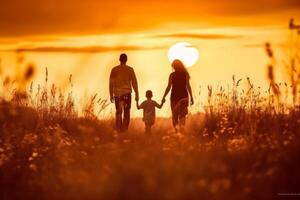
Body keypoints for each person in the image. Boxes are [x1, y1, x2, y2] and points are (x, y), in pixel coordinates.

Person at [162, 59, 194, 132]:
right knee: (182, 116)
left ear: (173, 66)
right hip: (184, 97)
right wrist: (191, 97)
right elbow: (188, 86)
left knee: (175, 116)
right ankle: (182, 131)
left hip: (174, 98)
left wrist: (164, 96)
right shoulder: (185, 74)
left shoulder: (172, 75)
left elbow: (169, 87)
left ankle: (176, 132)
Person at [109, 53, 139, 132]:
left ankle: (119, 130)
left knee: (119, 112)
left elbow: (111, 83)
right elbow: (134, 82)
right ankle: (125, 129)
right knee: (127, 112)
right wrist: (137, 93)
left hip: (117, 93)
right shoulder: (130, 69)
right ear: (126, 60)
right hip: (127, 93)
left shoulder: (114, 69)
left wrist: (111, 94)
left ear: (119, 59)